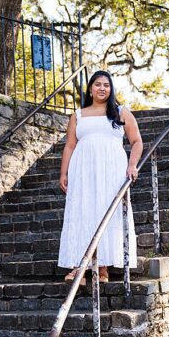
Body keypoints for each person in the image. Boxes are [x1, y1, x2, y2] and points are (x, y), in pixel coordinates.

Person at [58, 70, 143, 285]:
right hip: (83, 170)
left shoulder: (121, 112)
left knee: (107, 210)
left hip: (112, 169)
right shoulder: (78, 115)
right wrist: (63, 172)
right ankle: (79, 266)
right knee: (83, 210)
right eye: (97, 84)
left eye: (106, 84)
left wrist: (132, 165)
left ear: (111, 88)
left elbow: (137, 141)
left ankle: (102, 266)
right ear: (90, 88)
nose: (102, 88)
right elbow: (69, 145)